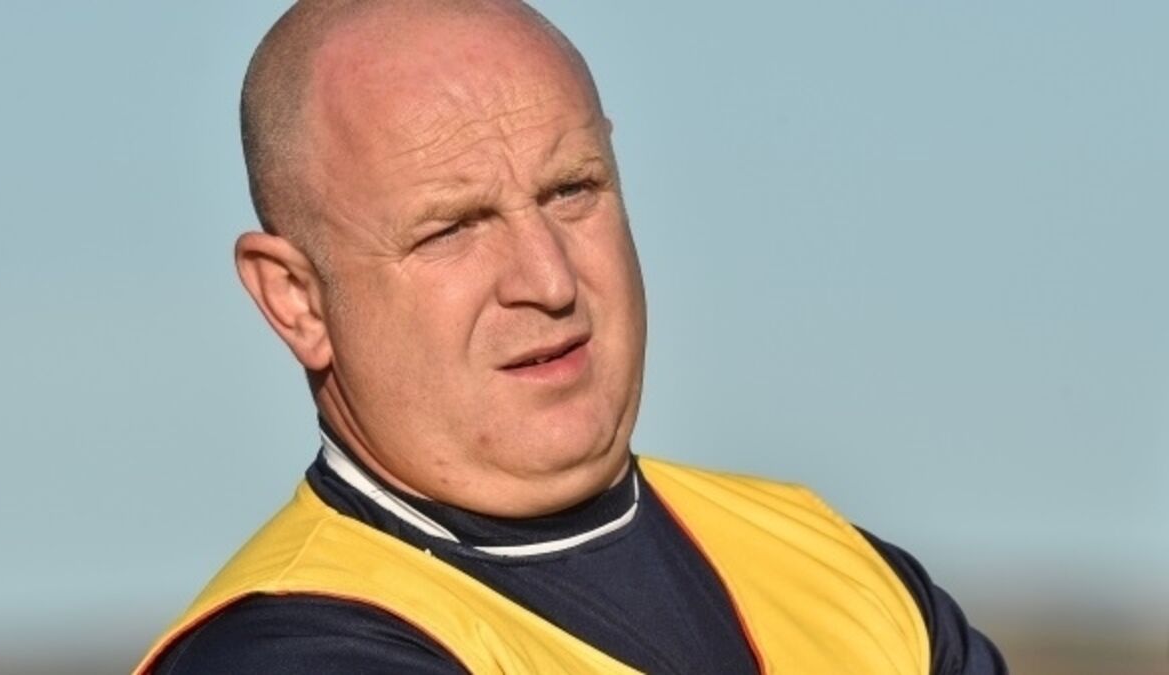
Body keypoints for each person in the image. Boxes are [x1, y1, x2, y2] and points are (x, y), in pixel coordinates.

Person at [136, 1, 1007, 673]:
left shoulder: (828, 558)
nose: (548, 280)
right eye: (452, 229)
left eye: (572, 191)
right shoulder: (286, 647)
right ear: (296, 300)